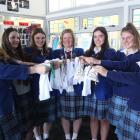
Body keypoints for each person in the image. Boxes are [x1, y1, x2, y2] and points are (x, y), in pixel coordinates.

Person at [81, 23, 140, 129]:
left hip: (132, 98)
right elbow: (118, 67)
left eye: (129, 37)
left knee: (128, 130)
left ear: (135, 37)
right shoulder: (120, 53)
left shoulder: (113, 52)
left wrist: (104, 69)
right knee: (119, 130)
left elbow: (126, 70)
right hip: (117, 94)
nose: (125, 40)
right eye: (123, 38)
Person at [1, 27, 46, 140]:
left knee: (29, 127)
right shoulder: (3, 56)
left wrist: (49, 63)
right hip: (13, 100)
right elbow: (8, 69)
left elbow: (29, 62)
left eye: (18, 38)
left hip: (27, 94)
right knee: (19, 132)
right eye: (12, 37)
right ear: (5, 39)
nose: (16, 40)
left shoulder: (20, 53)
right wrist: (33, 69)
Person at [82, 26, 116, 140]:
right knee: (92, 118)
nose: (97, 39)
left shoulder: (111, 52)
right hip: (90, 90)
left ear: (105, 37)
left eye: (100, 36)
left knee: (104, 119)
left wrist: (94, 62)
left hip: (104, 90)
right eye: (95, 36)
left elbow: (111, 65)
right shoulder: (88, 52)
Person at [93, 64, 140, 140]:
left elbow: (133, 77)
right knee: (122, 134)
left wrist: (107, 73)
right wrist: (109, 76)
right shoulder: (130, 61)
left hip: (132, 105)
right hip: (131, 105)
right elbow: (122, 81)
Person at [24, 28, 55, 140]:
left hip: (48, 86)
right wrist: (47, 63)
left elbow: (54, 65)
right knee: (36, 116)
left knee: (48, 116)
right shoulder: (27, 51)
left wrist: (54, 64)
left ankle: (46, 136)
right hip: (34, 87)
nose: (40, 40)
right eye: (37, 38)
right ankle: (37, 137)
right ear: (33, 38)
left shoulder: (49, 51)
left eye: (42, 38)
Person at [53, 29, 84, 140]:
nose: (67, 40)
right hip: (63, 87)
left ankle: (74, 136)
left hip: (77, 87)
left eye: (69, 37)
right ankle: (67, 136)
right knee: (64, 113)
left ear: (73, 39)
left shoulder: (80, 51)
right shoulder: (56, 52)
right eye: (65, 38)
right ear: (62, 40)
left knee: (78, 112)